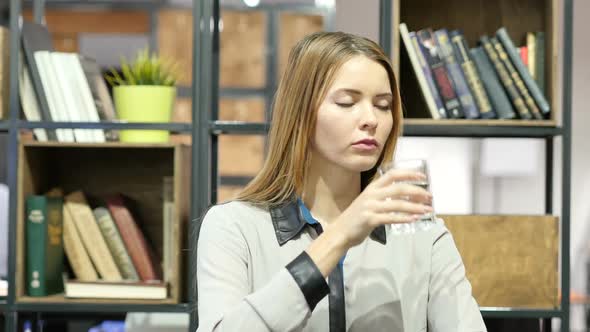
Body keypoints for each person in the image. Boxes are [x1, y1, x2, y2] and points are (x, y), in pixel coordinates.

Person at [196, 31, 486, 332]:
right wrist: (340, 237)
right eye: (347, 102)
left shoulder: (424, 236)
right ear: (300, 112)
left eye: (383, 105)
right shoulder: (234, 227)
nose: (370, 119)